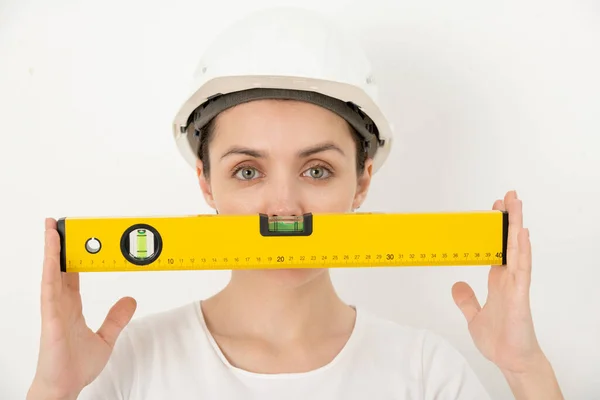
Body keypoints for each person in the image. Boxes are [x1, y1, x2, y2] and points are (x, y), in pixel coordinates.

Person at [27, 7, 564, 400]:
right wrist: (54, 389)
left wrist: (524, 368)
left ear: (361, 182)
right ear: (206, 183)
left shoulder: (423, 371)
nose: (283, 206)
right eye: (247, 171)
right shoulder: (127, 365)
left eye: (316, 170)